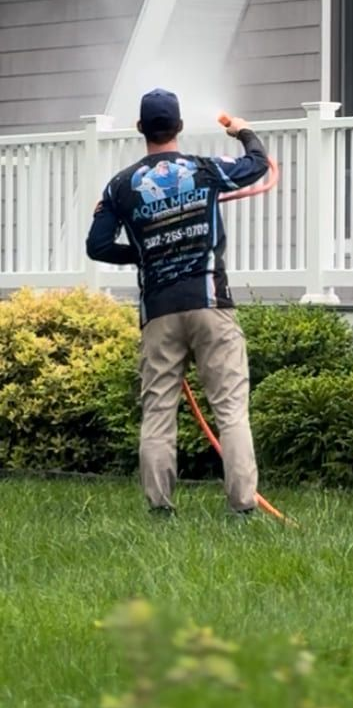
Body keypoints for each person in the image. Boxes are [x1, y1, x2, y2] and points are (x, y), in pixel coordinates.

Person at [86, 89, 270, 518]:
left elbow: (97, 246)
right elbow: (257, 166)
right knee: (230, 409)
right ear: (180, 128)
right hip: (210, 304)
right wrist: (244, 133)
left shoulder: (120, 186)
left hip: (159, 314)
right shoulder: (203, 170)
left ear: (140, 130)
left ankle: (160, 510)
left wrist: (144, 251)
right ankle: (242, 509)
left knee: (158, 411)